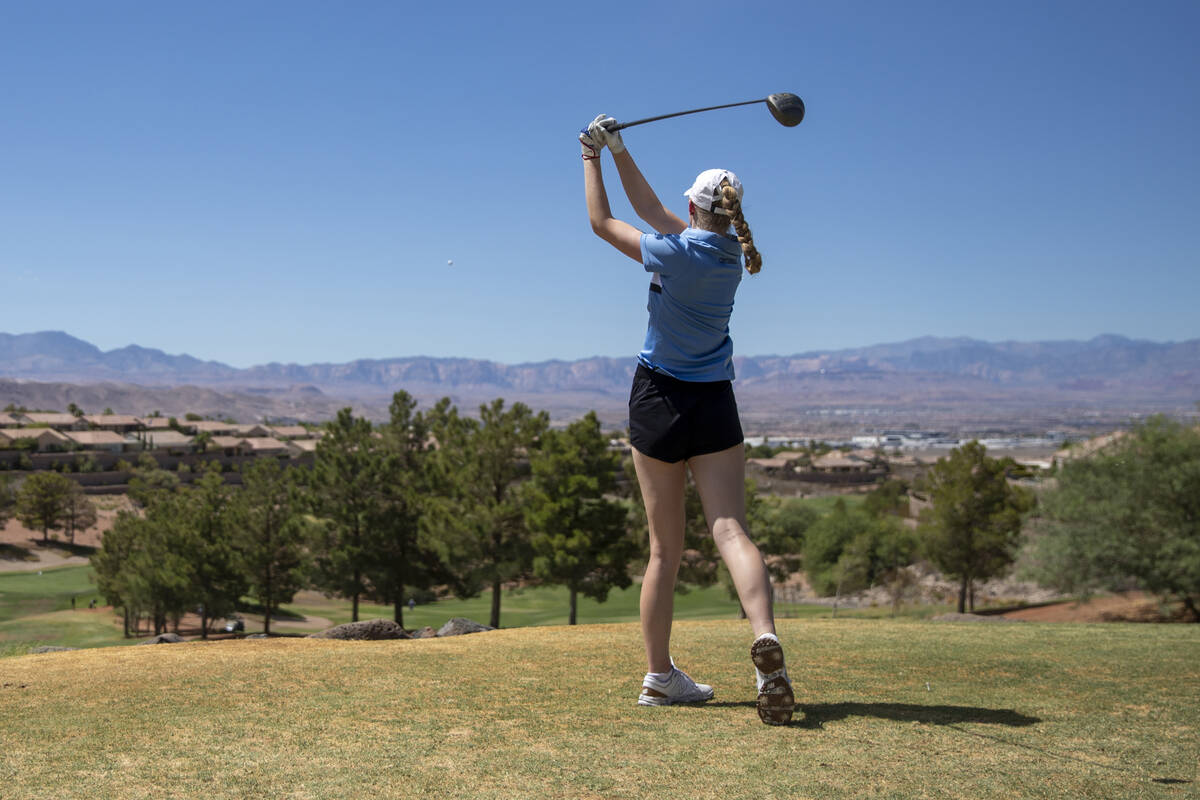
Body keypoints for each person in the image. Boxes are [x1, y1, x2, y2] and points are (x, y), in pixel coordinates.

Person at [580, 115, 794, 725]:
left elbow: (603, 222)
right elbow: (651, 207)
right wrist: (621, 147)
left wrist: (591, 158)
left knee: (664, 553)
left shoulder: (673, 252)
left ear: (693, 208)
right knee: (731, 531)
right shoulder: (729, 255)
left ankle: (658, 677)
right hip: (713, 402)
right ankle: (764, 638)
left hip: (657, 401)